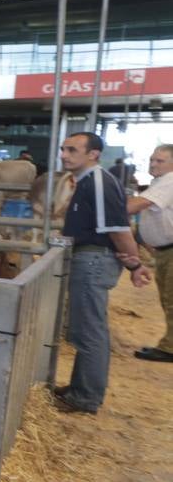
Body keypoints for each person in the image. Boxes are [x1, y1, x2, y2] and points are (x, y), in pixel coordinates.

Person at [53, 132, 153, 415]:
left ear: (93, 154)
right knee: (85, 328)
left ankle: (85, 397)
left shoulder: (97, 182)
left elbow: (117, 228)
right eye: (63, 149)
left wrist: (135, 265)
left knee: (90, 331)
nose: (64, 154)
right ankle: (79, 388)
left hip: (94, 261)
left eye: (72, 149)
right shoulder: (87, 182)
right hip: (89, 259)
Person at [127, 144, 173, 362]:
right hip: (165, 251)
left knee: (171, 298)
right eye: (152, 159)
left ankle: (170, 348)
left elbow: (137, 205)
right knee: (167, 298)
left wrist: (106, 207)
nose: (153, 164)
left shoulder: (170, 181)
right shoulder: (160, 182)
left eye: (160, 161)